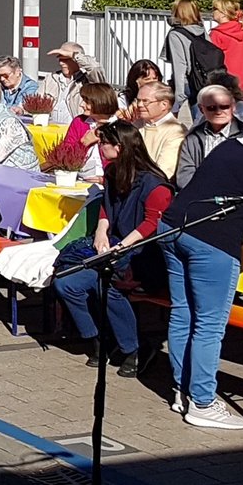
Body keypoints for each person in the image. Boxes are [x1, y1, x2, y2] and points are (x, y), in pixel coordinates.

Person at [159, 107, 243, 429]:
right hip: (211, 242)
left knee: (183, 313)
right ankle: (203, 402)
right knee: (209, 325)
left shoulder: (231, 144)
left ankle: (181, 391)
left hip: (172, 228)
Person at [47, 121, 171, 379]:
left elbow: (153, 223)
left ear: (120, 146)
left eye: (104, 142)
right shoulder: (114, 174)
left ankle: (133, 348)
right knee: (65, 283)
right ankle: (96, 339)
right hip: (114, 248)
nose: (100, 146)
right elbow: (106, 208)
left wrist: (123, 245)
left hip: (144, 255)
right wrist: (101, 231)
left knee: (110, 286)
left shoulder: (155, 184)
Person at [176, 83, 243, 188]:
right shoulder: (193, 138)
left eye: (224, 107)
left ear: (233, 107)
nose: (219, 112)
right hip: (200, 197)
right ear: (201, 109)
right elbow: (184, 176)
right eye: (211, 108)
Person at [123, 81, 189, 181]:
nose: (139, 105)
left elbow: (163, 171)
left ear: (164, 104)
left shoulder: (176, 131)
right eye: (138, 100)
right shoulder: (137, 124)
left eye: (145, 101)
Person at [161, 0, 212, 112]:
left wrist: (178, 95)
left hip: (184, 82)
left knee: (170, 121)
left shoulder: (175, 34)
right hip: (201, 80)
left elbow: (180, 64)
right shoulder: (201, 30)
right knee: (199, 120)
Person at [209, 0, 243, 91]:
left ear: (223, 13)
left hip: (225, 81)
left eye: (215, 9)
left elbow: (211, 59)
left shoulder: (217, 33)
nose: (212, 12)